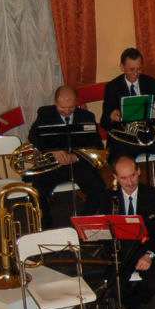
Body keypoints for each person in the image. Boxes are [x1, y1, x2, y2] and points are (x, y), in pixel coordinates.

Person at [101, 47, 155, 207]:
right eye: (131, 69)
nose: (136, 73)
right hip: (125, 139)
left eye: (139, 69)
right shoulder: (112, 87)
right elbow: (104, 122)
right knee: (119, 158)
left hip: (148, 134)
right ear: (122, 67)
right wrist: (112, 116)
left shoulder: (151, 83)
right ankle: (129, 197)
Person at [26, 85, 107, 216]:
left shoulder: (87, 116)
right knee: (37, 192)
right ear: (55, 102)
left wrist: (76, 156)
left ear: (76, 103)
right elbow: (33, 138)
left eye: (71, 107)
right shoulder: (44, 114)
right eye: (62, 108)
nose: (67, 111)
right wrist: (52, 153)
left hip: (78, 163)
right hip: (53, 164)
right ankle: (46, 224)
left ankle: (83, 221)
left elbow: (97, 145)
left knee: (99, 189)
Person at [103, 156, 155, 309]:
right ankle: (131, 301)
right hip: (122, 253)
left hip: (148, 249)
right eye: (123, 178)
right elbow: (105, 233)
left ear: (139, 171)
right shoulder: (108, 197)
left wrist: (149, 255)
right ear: (115, 177)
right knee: (111, 284)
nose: (130, 182)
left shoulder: (154, 195)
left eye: (132, 175)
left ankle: (134, 301)